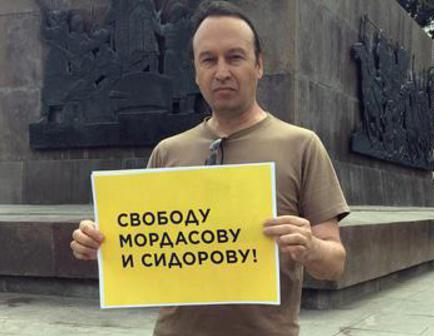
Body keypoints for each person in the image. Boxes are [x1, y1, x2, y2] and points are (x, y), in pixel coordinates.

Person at [70, 1, 349, 335]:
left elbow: (335, 263)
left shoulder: (302, 146)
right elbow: (143, 245)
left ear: (259, 65)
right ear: (195, 72)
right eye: (208, 59)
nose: (221, 72)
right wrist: (96, 243)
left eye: (235, 57)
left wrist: (311, 247)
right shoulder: (167, 153)